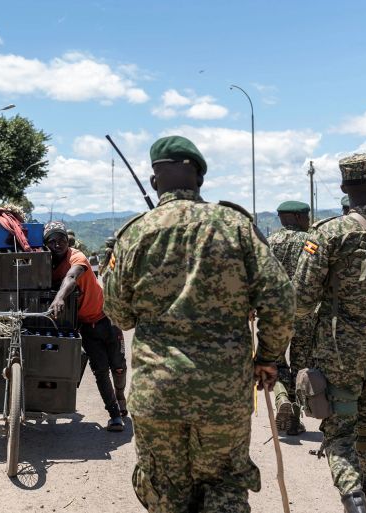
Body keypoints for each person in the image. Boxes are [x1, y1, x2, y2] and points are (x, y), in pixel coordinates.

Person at [103, 135, 294, 512]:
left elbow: (119, 315)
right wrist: (268, 357)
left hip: (158, 392)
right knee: (224, 484)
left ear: (156, 182)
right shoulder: (236, 227)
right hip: (224, 392)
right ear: (201, 180)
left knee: (166, 491)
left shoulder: (134, 234)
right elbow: (280, 298)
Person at [293, 154, 366, 512]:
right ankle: (363, 494)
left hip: (339, 353)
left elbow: (301, 302)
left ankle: (354, 499)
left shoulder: (328, 234)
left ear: (343, 189)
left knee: (339, 434)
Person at [45, 220, 127, 432]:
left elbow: (72, 277)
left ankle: (120, 398)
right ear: (46, 244)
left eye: (61, 239)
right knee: (100, 371)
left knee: (118, 366)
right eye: (51, 240)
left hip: (108, 318)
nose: (57, 244)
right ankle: (114, 414)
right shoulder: (50, 267)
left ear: (67, 240)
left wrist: (59, 298)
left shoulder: (77, 257)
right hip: (86, 327)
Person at [267, 200, 312, 436]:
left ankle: (281, 397)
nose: (308, 220)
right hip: (304, 314)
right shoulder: (310, 242)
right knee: (301, 365)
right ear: (295, 217)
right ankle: (294, 418)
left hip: (276, 315)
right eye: (306, 216)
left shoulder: (270, 242)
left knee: (275, 362)